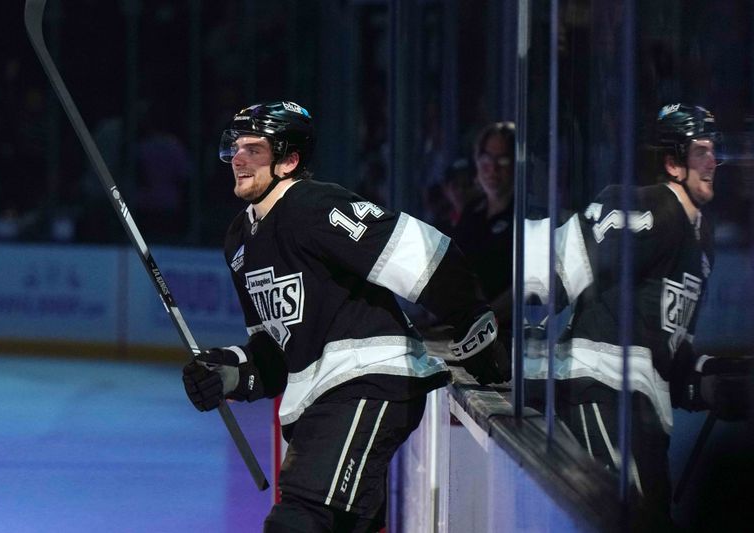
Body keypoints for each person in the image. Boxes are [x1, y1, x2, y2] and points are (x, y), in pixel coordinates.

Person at [180, 101, 510, 532]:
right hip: (321, 400)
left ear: (289, 160)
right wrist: (226, 373)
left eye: (254, 149)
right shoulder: (240, 241)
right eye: (236, 148)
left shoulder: (313, 205)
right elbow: (275, 354)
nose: (238, 159)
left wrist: (474, 319)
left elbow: (422, 253)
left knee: (300, 520)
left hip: (367, 381)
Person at [523, 103, 735, 528]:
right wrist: (496, 323)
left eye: (716, 151)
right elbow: (551, 274)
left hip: (640, 413)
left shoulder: (701, 239)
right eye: (700, 151)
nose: (713, 161)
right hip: (599, 393)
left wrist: (711, 381)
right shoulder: (651, 208)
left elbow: (667, 349)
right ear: (673, 162)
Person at [451, 122, 516, 345]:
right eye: (486, 160)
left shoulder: (527, 215)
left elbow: (527, 287)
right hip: (463, 329)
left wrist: (486, 320)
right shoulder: (473, 210)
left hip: (506, 336)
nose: (493, 170)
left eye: (503, 160)